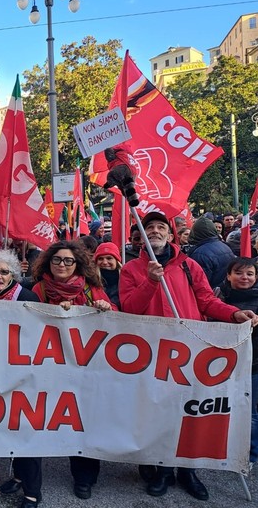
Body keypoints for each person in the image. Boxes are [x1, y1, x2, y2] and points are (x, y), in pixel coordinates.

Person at [119, 211, 258, 501]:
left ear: (170, 235)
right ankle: (164, 469)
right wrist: (150, 281)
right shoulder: (131, 269)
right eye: (150, 228)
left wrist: (234, 314)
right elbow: (130, 308)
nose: (155, 231)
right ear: (142, 237)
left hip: (189, 353)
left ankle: (188, 471)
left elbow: (207, 301)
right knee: (159, 413)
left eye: (161, 227)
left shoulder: (189, 265)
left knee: (189, 412)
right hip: (153, 355)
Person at [30, 240, 115, 500]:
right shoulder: (39, 289)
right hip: (49, 365)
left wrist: (105, 308)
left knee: (83, 420)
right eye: (57, 260)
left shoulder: (92, 290)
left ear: (77, 264)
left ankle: (84, 478)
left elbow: (116, 321)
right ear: (48, 263)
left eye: (68, 260)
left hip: (84, 367)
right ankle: (27, 477)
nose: (62, 265)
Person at [0, 250, 41, 508]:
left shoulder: (27, 297)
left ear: (13, 274)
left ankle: (33, 492)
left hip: (24, 373)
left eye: (4, 272)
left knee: (27, 430)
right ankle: (17, 476)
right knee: (8, 428)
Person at [216, 257, 258, 466]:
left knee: (249, 411)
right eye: (239, 273)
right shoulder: (218, 295)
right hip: (221, 363)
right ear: (228, 275)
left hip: (252, 366)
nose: (245, 277)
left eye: (250, 274)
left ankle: (250, 456)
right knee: (221, 406)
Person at [185, 217, 235, 289]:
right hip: (222, 291)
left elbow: (199, 284)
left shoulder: (199, 254)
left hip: (210, 293)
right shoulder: (224, 245)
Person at [93, 242, 122, 309]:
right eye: (100, 259)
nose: (105, 262)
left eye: (109, 258)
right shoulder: (91, 280)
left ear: (116, 261)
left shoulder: (126, 279)